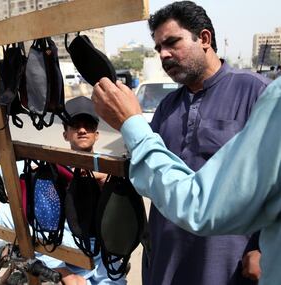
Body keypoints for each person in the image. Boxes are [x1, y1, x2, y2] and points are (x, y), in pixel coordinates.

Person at [95, 2, 270, 284]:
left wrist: (263, 249)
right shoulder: (168, 106)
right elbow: (154, 170)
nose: (164, 54)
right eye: (158, 48)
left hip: (228, 262)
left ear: (204, 39)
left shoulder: (256, 92)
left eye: (172, 42)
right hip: (167, 260)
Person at [0, 96, 124, 285]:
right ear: (65, 134)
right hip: (67, 243)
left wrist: (104, 180)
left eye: (89, 126)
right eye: (75, 125)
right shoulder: (53, 166)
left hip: (103, 246)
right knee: (6, 213)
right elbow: (6, 171)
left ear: (96, 134)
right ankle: (63, 271)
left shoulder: (110, 167)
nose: (82, 130)